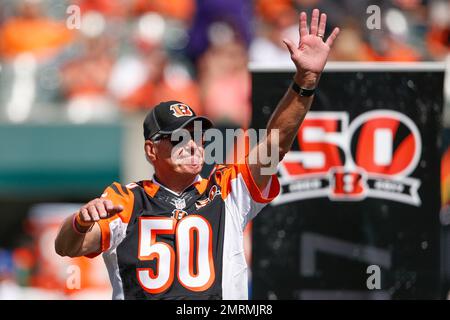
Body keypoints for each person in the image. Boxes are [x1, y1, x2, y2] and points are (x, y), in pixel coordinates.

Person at [55, 9, 339, 300]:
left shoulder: (227, 190)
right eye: (179, 138)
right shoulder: (126, 200)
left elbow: (275, 145)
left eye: (198, 137)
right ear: (152, 150)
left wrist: (305, 81)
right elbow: (68, 247)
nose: (193, 145)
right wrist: (79, 222)